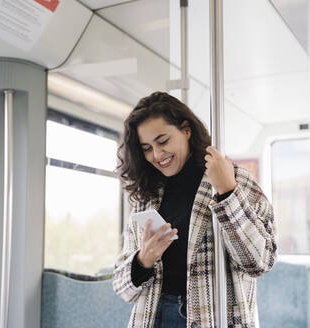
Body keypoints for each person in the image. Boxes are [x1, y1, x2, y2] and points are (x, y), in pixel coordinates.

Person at [113, 91, 277, 328]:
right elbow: (121, 286)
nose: (157, 155)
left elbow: (259, 262)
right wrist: (144, 260)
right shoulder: (147, 194)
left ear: (186, 130)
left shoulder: (234, 178)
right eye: (147, 148)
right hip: (153, 317)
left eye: (163, 141)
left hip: (214, 316)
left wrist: (227, 193)